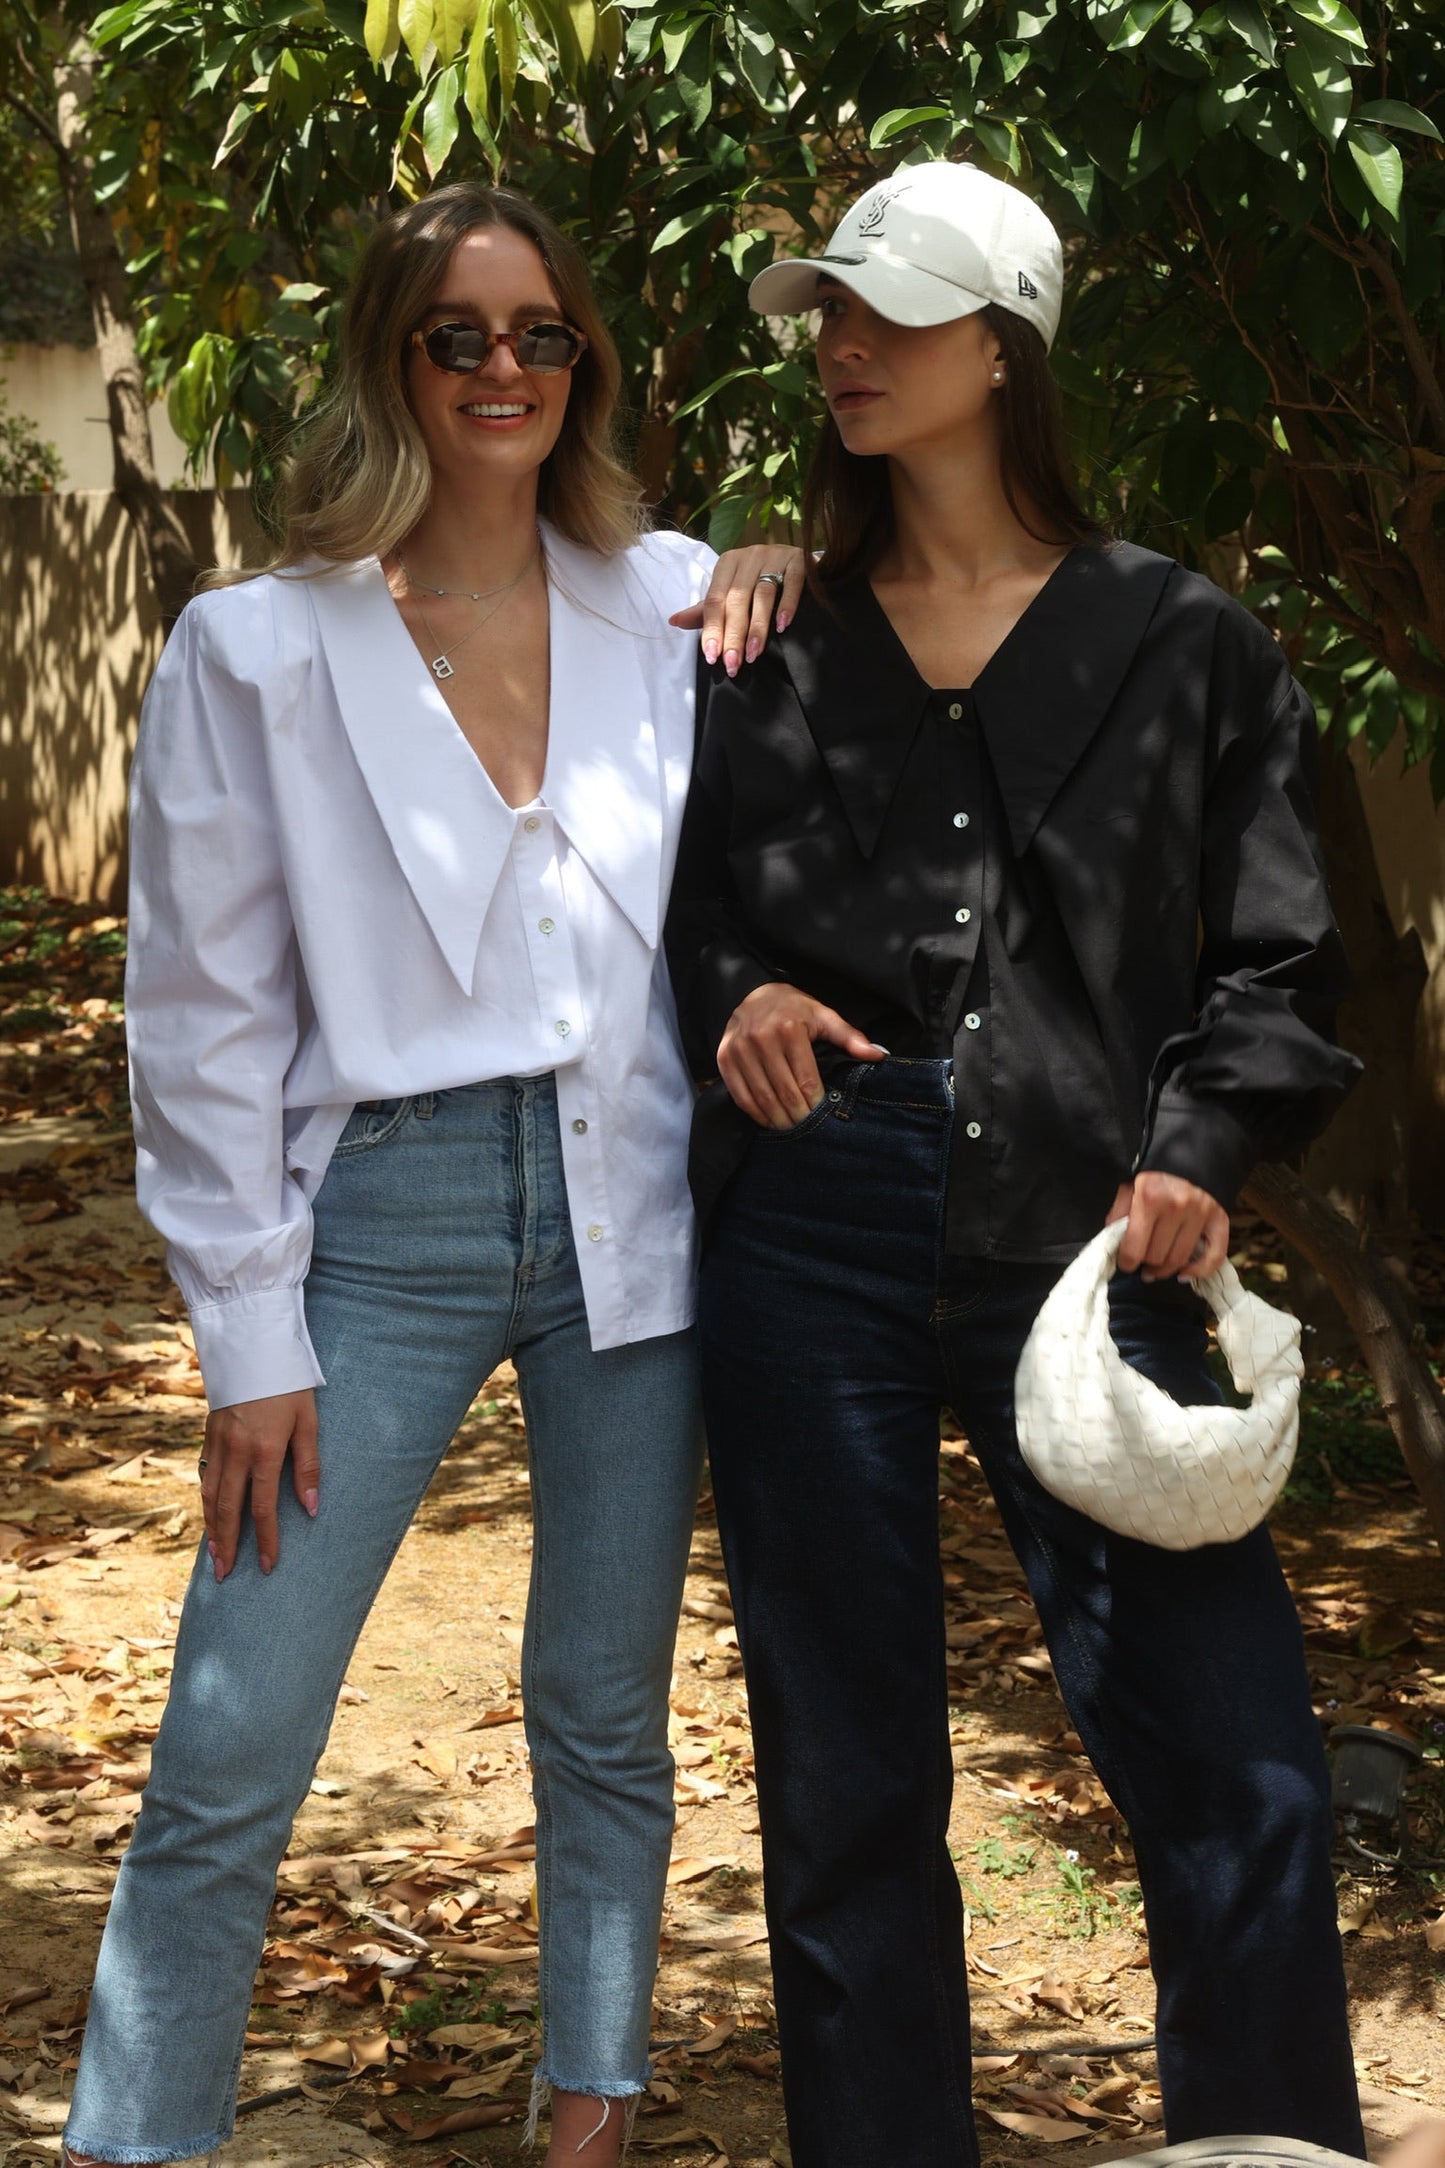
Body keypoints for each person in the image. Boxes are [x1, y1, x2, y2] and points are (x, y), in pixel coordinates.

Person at [62, 181, 803, 2168]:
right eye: (457, 335)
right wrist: (248, 1332)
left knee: (603, 1709)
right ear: (389, 362)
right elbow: (199, 1015)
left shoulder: (664, 604)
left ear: (586, 362)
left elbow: (832, 657)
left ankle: (589, 2118)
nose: (503, 369)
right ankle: (141, 2142)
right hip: (379, 1223)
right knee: (232, 1737)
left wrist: (783, 553)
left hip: (631, 1208)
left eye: (541, 333)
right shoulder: (258, 647)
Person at [665, 161, 1366, 2168]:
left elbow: (1281, 953)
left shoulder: (1185, 640)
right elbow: (695, 916)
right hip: (815, 1223)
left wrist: (1206, 1147)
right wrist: (736, 996)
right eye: (828, 310)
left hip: (1098, 1232)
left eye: (888, 310)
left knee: (1241, 1771)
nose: (842, 343)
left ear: (1005, 347)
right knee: (848, 1781)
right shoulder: (772, 637)